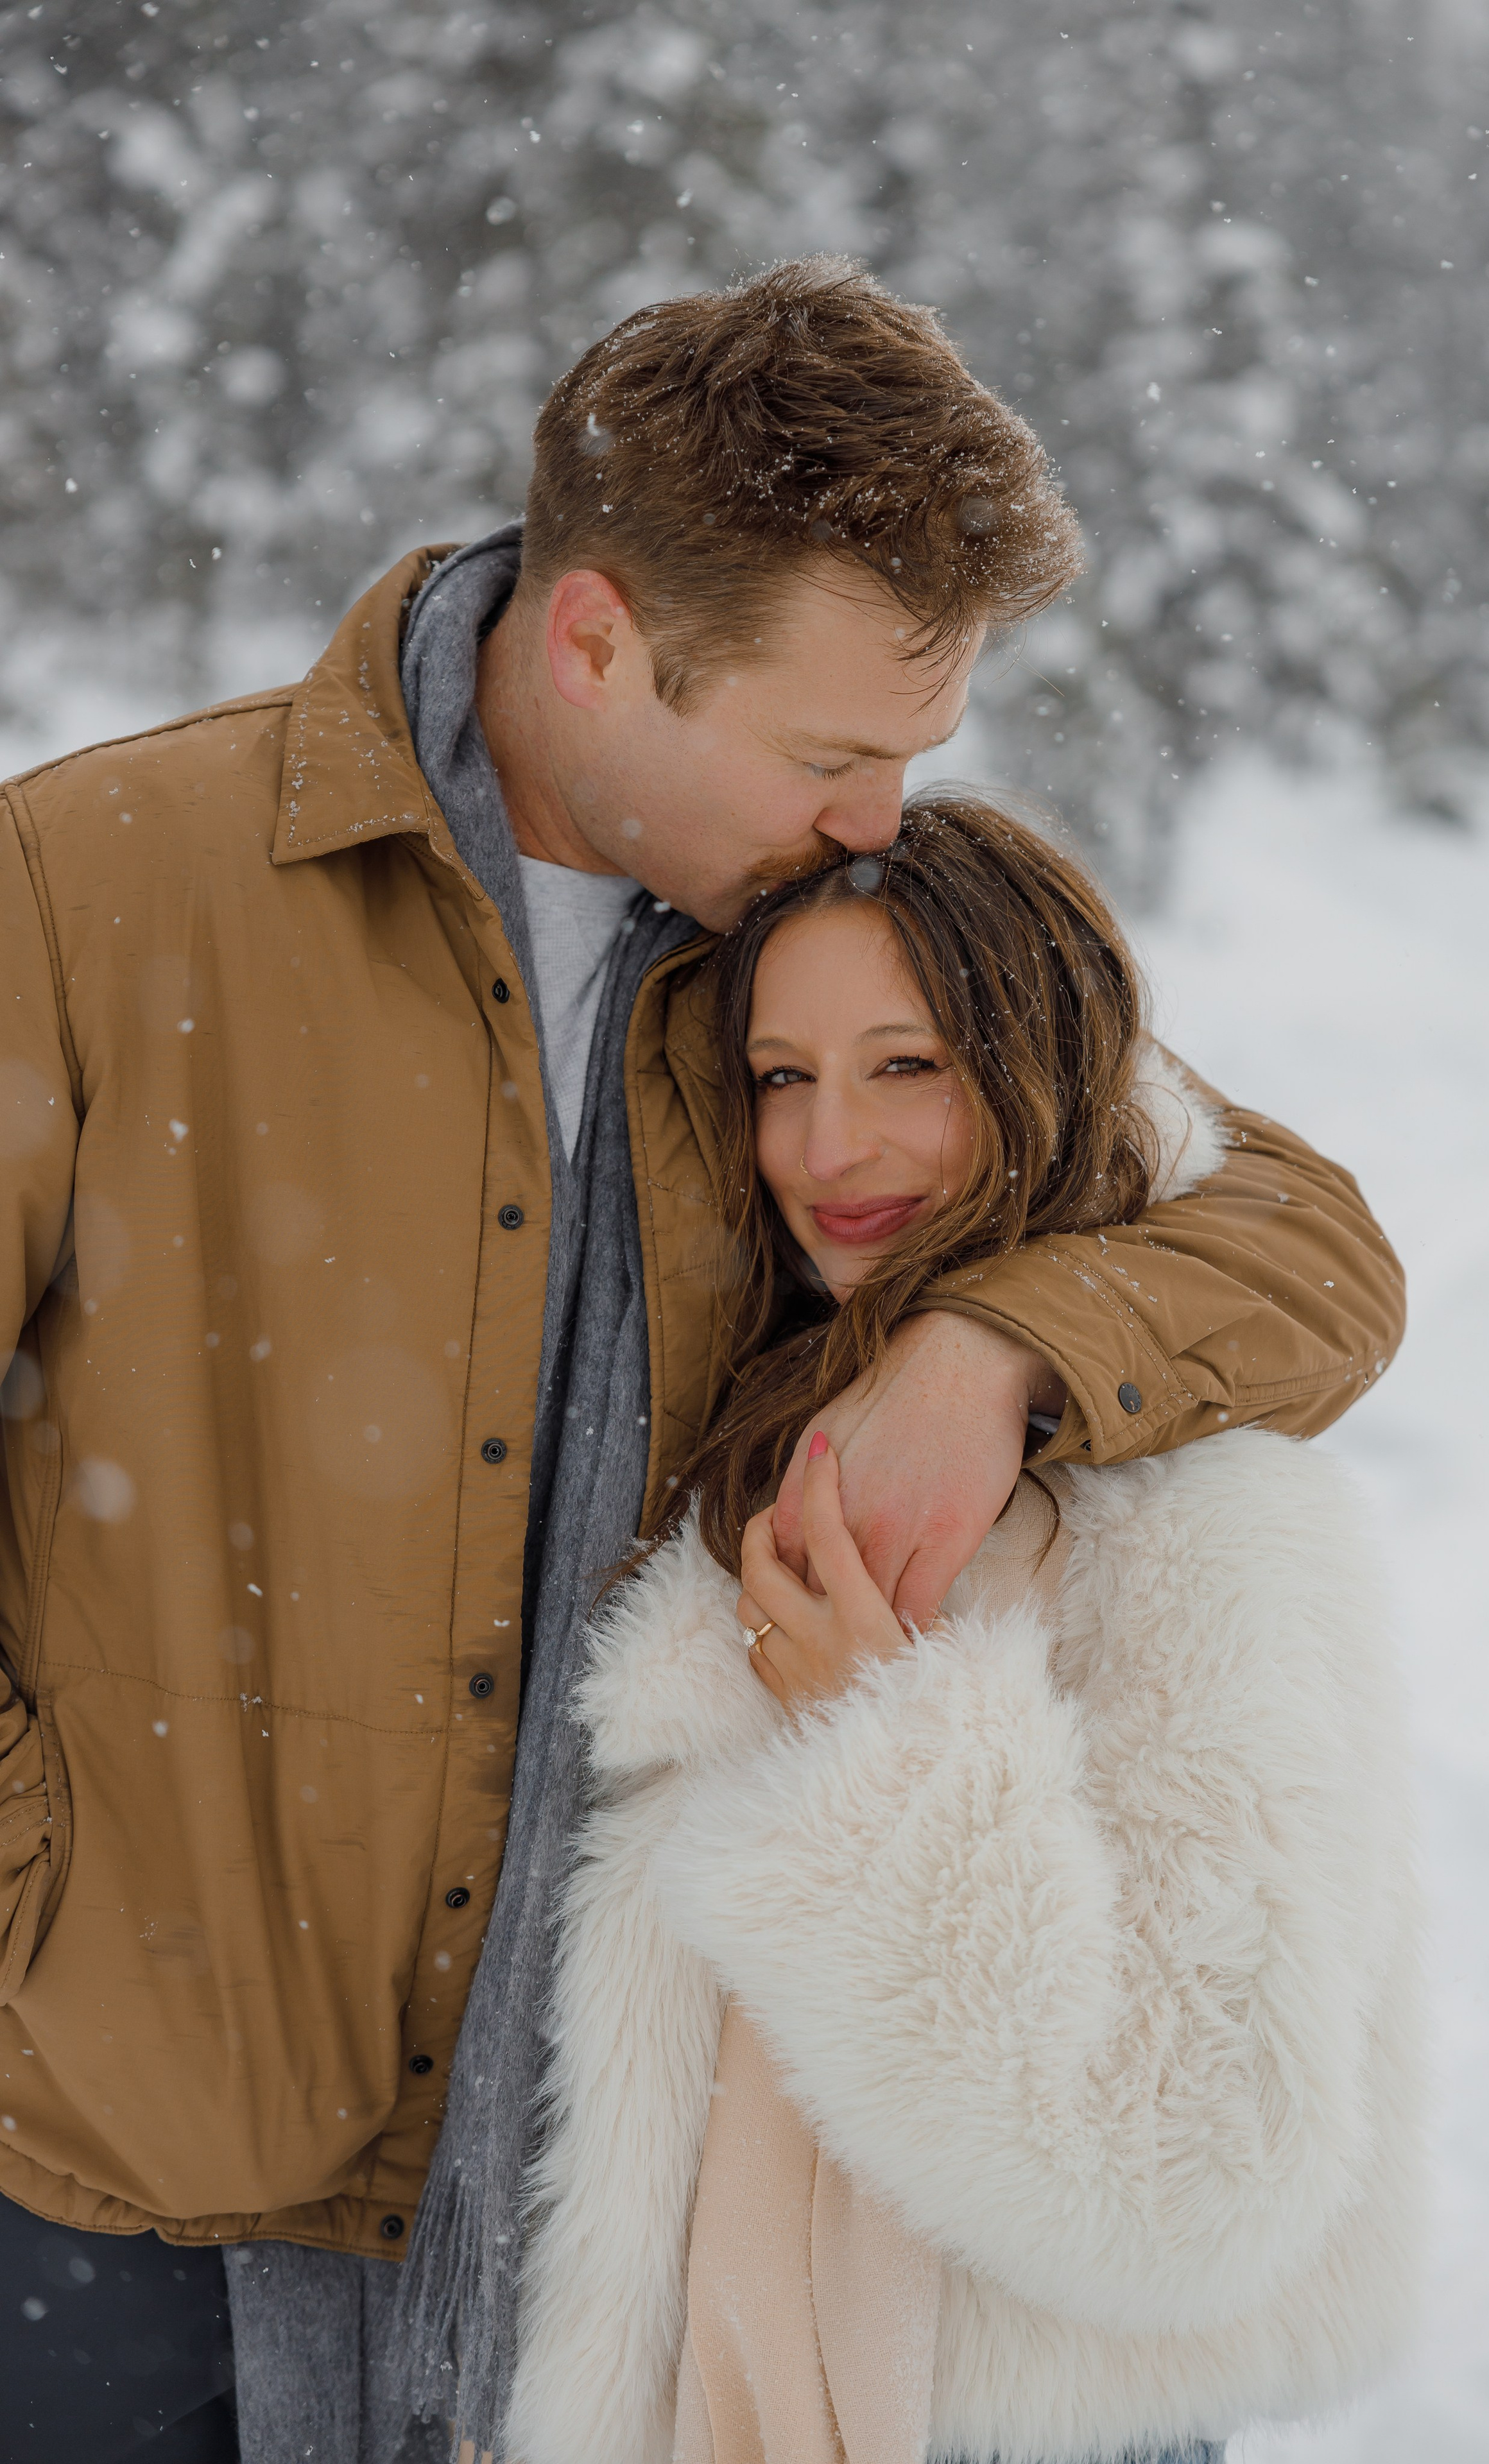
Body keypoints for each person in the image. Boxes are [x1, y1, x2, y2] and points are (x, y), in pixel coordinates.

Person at [0, 259, 1405, 2462]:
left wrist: (993, 1345)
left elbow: (1306, 1244)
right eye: (836, 750)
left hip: (582, 2198)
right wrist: (39, 1911)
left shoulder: (812, 951)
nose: (876, 815)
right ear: (598, 643)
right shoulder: (93, 888)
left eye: (911, 761)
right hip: (107, 2183)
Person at [508, 800, 1423, 2464]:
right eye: (782, 1076)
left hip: (1015, 2419)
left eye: (907, 1067)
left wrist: (889, 1744)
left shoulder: (1190, 1510)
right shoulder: (763, 1396)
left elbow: (1187, 2167)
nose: (828, 1149)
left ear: (1037, 1069)